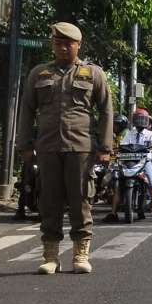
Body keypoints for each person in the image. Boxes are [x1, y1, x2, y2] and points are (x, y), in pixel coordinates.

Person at [16, 22, 113, 275]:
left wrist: (104, 147)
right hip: (47, 147)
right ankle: (51, 257)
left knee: (81, 200)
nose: (62, 47)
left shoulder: (93, 74)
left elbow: (106, 110)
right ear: (53, 45)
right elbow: (26, 110)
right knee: (49, 201)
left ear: (78, 45)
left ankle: (81, 255)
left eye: (68, 43)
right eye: (58, 43)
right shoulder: (39, 74)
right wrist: (25, 144)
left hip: (80, 148)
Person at [103, 108, 152, 222]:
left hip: (144, 162)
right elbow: (121, 146)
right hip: (129, 161)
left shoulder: (150, 134)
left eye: (142, 119)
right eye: (138, 119)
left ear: (146, 121)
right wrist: (114, 150)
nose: (140, 122)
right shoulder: (129, 134)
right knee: (119, 185)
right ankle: (113, 213)